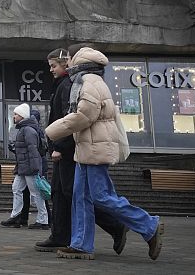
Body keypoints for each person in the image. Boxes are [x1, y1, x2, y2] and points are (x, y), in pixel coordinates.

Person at [45, 47, 163, 261]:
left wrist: (52, 131)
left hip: (95, 148)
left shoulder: (89, 82)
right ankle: (81, 245)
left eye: (70, 58)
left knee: (101, 196)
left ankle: (148, 224)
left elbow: (84, 115)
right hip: (87, 148)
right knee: (81, 197)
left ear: (79, 60)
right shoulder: (86, 80)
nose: (67, 62)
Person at [35, 49, 127, 253]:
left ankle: (115, 225)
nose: (51, 70)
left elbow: (72, 118)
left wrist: (59, 146)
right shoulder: (65, 84)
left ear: (66, 64)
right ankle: (61, 235)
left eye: (54, 65)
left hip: (70, 150)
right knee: (60, 192)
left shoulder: (71, 85)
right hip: (68, 148)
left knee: (75, 193)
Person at [0, 103, 49, 229]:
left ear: (22, 116)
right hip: (23, 167)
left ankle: (43, 220)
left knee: (35, 193)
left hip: (29, 167)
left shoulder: (28, 130)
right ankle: (16, 216)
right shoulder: (24, 129)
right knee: (16, 189)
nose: (14, 116)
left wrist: (35, 168)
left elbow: (33, 151)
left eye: (16, 114)